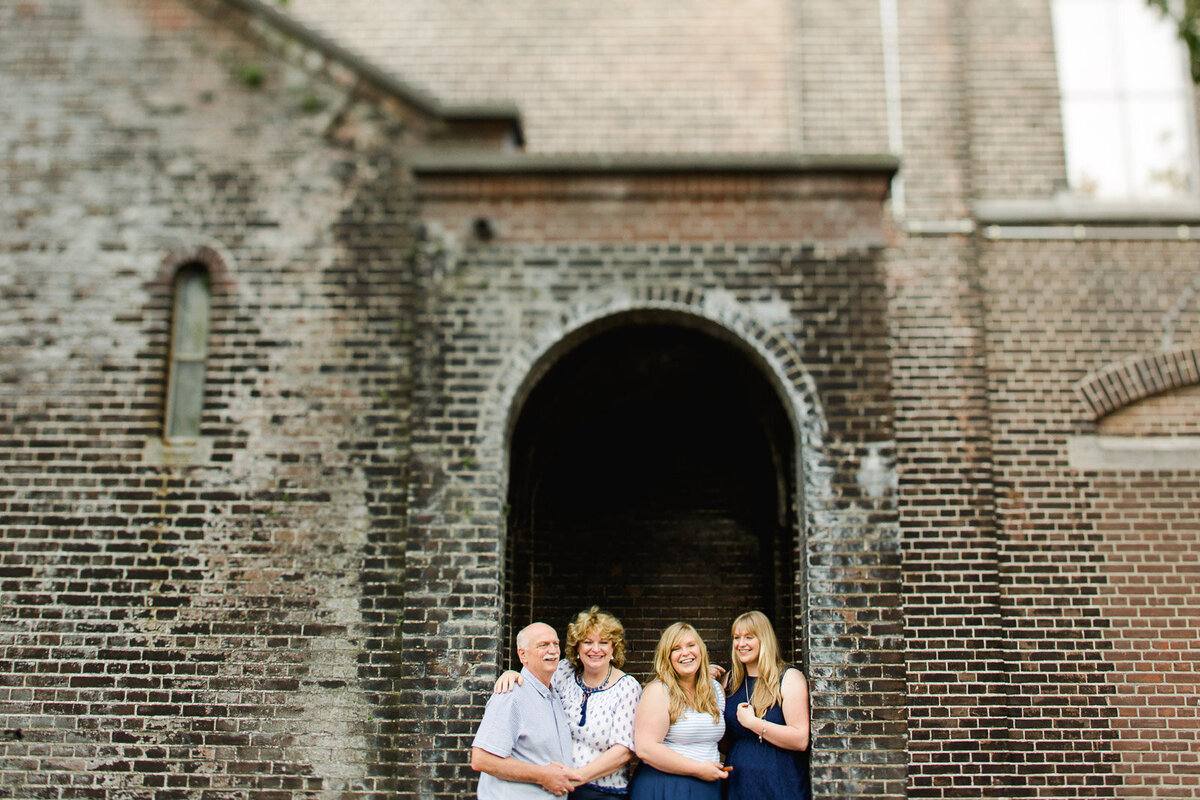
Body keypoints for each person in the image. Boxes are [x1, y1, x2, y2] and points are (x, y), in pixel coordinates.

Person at [493, 607, 642, 799]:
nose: (595, 649)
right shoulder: (564, 671)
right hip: (554, 788)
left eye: (604, 642)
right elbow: (534, 681)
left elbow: (624, 751)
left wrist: (577, 777)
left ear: (614, 648)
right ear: (577, 647)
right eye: (587, 642)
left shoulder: (627, 687)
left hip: (600, 791)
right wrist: (512, 674)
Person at [471, 621, 582, 798]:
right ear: (523, 655)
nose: (553, 651)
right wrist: (544, 776)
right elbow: (481, 759)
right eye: (543, 645)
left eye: (555, 644)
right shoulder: (511, 695)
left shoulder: (552, 695)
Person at [629, 622, 728, 800]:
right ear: (667, 656)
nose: (685, 653)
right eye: (676, 648)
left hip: (707, 788)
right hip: (666, 786)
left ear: (701, 650)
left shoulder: (716, 690)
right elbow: (646, 749)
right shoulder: (659, 691)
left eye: (691, 645)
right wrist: (698, 769)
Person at [720, 611, 810, 800]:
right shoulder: (730, 680)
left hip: (780, 781)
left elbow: (800, 739)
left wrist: (753, 723)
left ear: (764, 639)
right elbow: (723, 740)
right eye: (737, 638)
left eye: (749, 637)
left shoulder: (788, 678)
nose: (741, 644)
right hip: (739, 782)